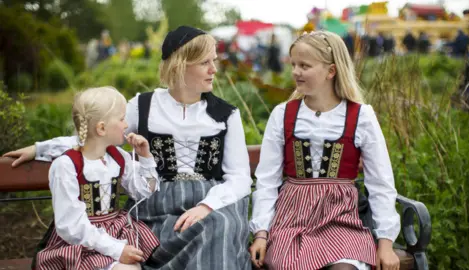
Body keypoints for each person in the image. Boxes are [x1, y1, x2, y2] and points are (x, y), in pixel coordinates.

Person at [3, 26, 252, 270]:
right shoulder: (142, 106)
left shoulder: (226, 114)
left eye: (214, 61)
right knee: (182, 235)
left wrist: (206, 206)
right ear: (180, 64)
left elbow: (239, 178)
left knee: (217, 226)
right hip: (157, 207)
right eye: (205, 63)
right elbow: (94, 137)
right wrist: (40, 149)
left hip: (210, 203)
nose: (214, 70)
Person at [248, 31, 400, 270]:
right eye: (294, 64)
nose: (296, 71)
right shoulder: (283, 114)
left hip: (341, 220)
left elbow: (380, 182)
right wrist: (261, 233)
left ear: (331, 71)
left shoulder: (360, 116)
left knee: (344, 268)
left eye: (305, 65)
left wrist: (386, 242)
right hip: (291, 221)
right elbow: (267, 180)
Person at [32, 86, 160, 270]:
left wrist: (146, 158)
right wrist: (116, 249)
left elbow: (144, 191)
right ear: (101, 128)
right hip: (80, 243)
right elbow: (71, 226)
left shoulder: (117, 158)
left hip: (117, 232)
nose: (126, 125)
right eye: (122, 119)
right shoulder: (66, 166)